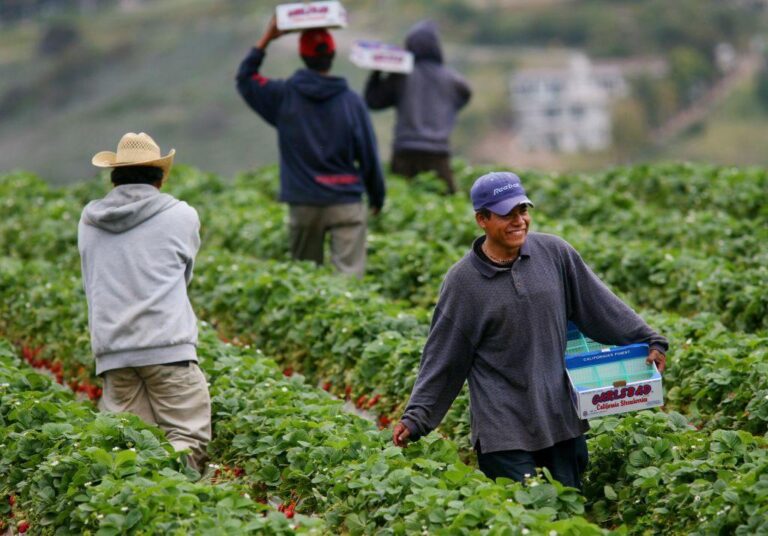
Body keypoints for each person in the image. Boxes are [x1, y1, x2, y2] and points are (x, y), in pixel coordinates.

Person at [391, 171, 668, 490]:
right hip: (502, 430)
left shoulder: (555, 254)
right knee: (527, 514)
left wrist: (649, 339)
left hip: (560, 417)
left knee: (567, 510)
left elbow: (599, 306)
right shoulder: (463, 283)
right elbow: (444, 357)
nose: (518, 221)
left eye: (522, 211)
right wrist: (417, 418)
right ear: (482, 219)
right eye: (506, 214)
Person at [78, 132, 211, 472]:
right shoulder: (181, 215)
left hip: (113, 353)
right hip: (168, 347)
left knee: (128, 451)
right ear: (159, 177)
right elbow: (184, 275)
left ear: (114, 178)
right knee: (185, 442)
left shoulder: (88, 221)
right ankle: (174, 517)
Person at [236, 19, 386, 277]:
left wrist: (266, 39)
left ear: (303, 56)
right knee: (349, 283)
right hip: (346, 200)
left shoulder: (282, 95)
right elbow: (369, 154)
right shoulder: (352, 102)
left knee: (305, 280)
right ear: (332, 55)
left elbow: (245, 78)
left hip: (303, 201)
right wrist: (376, 195)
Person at [364, 20, 471, 194]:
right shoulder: (451, 79)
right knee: (445, 201)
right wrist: (449, 109)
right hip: (438, 152)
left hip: (405, 151)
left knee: (402, 198)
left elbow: (373, 101)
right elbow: (466, 92)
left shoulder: (401, 76)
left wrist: (377, 71)